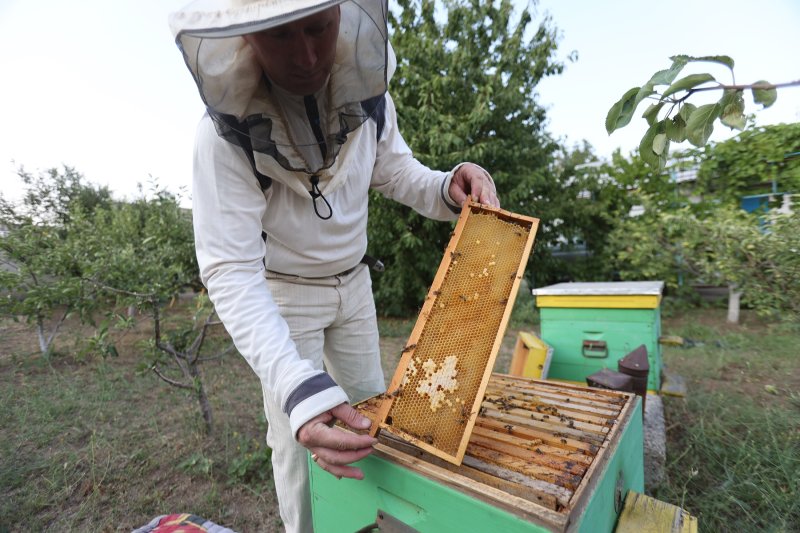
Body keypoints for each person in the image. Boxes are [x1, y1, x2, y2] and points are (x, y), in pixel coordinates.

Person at [169, 1, 499, 531]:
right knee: (299, 435)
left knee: (371, 419)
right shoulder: (221, 138)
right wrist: (296, 388)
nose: (306, 56)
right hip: (285, 299)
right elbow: (230, 268)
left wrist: (446, 186)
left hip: (355, 285)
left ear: (343, 19)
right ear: (247, 39)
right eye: (280, 37)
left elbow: (395, 172)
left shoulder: (368, 99)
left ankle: (368, 523)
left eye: (319, 28)